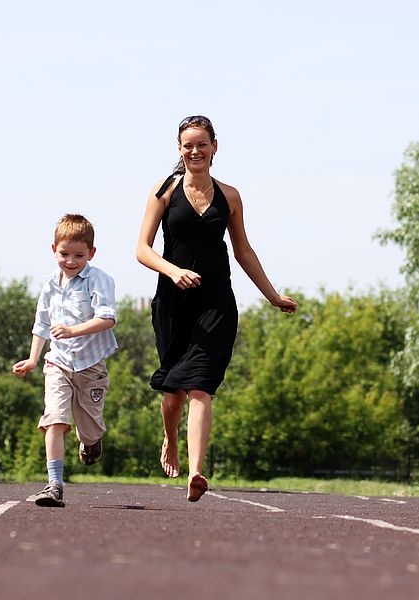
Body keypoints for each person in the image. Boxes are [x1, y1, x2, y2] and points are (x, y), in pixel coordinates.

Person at [136, 115, 297, 502]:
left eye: (202, 144)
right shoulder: (163, 190)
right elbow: (141, 249)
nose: (195, 151)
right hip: (173, 304)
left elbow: (243, 251)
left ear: (214, 148)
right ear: (179, 148)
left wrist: (272, 296)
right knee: (173, 394)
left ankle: (196, 472)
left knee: (201, 388)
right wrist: (173, 272)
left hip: (216, 303)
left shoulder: (231, 196)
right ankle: (170, 439)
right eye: (188, 145)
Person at [12, 214, 118, 507]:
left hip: (90, 365)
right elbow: (41, 325)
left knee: (90, 425)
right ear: (53, 250)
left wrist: (72, 330)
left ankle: (91, 441)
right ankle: (54, 484)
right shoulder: (49, 285)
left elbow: (107, 318)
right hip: (57, 362)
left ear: (91, 253)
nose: (71, 261)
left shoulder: (99, 280)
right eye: (64, 254)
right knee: (54, 419)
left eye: (79, 255)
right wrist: (33, 359)